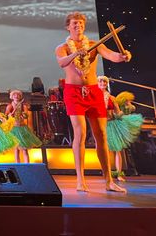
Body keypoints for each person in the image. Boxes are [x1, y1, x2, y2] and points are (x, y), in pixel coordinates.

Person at [55, 12, 131, 192]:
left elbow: (111, 55)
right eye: (75, 23)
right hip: (73, 93)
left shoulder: (94, 45)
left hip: (93, 92)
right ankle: (81, 181)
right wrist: (76, 54)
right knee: (80, 133)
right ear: (68, 27)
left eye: (81, 23)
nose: (78, 26)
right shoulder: (62, 47)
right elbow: (62, 63)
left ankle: (109, 181)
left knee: (101, 135)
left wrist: (122, 56)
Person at [98, 76, 143, 181]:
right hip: (100, 124)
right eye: (100, 82)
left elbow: (117, 113)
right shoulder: (94, 97)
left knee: (117, 150)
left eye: (105, 82)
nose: (103, 84)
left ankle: (119, 174)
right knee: (105, 150)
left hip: (111, 124)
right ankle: (107, 173)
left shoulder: (112, 98)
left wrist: (126, 108)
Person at [5, 90, 42, 162]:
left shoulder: (23, 106)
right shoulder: (10, 106)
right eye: (14, 95)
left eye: (18, 95)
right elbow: (6, 115)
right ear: (12, 97)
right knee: (16, 150)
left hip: (22, 128)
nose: (16, 96)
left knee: (24, 149)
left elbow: (26, 115)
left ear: (20, 97)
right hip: (14, 128)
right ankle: (17, 165)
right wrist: (10, 114)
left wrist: (23, 114)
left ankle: (27, 165)